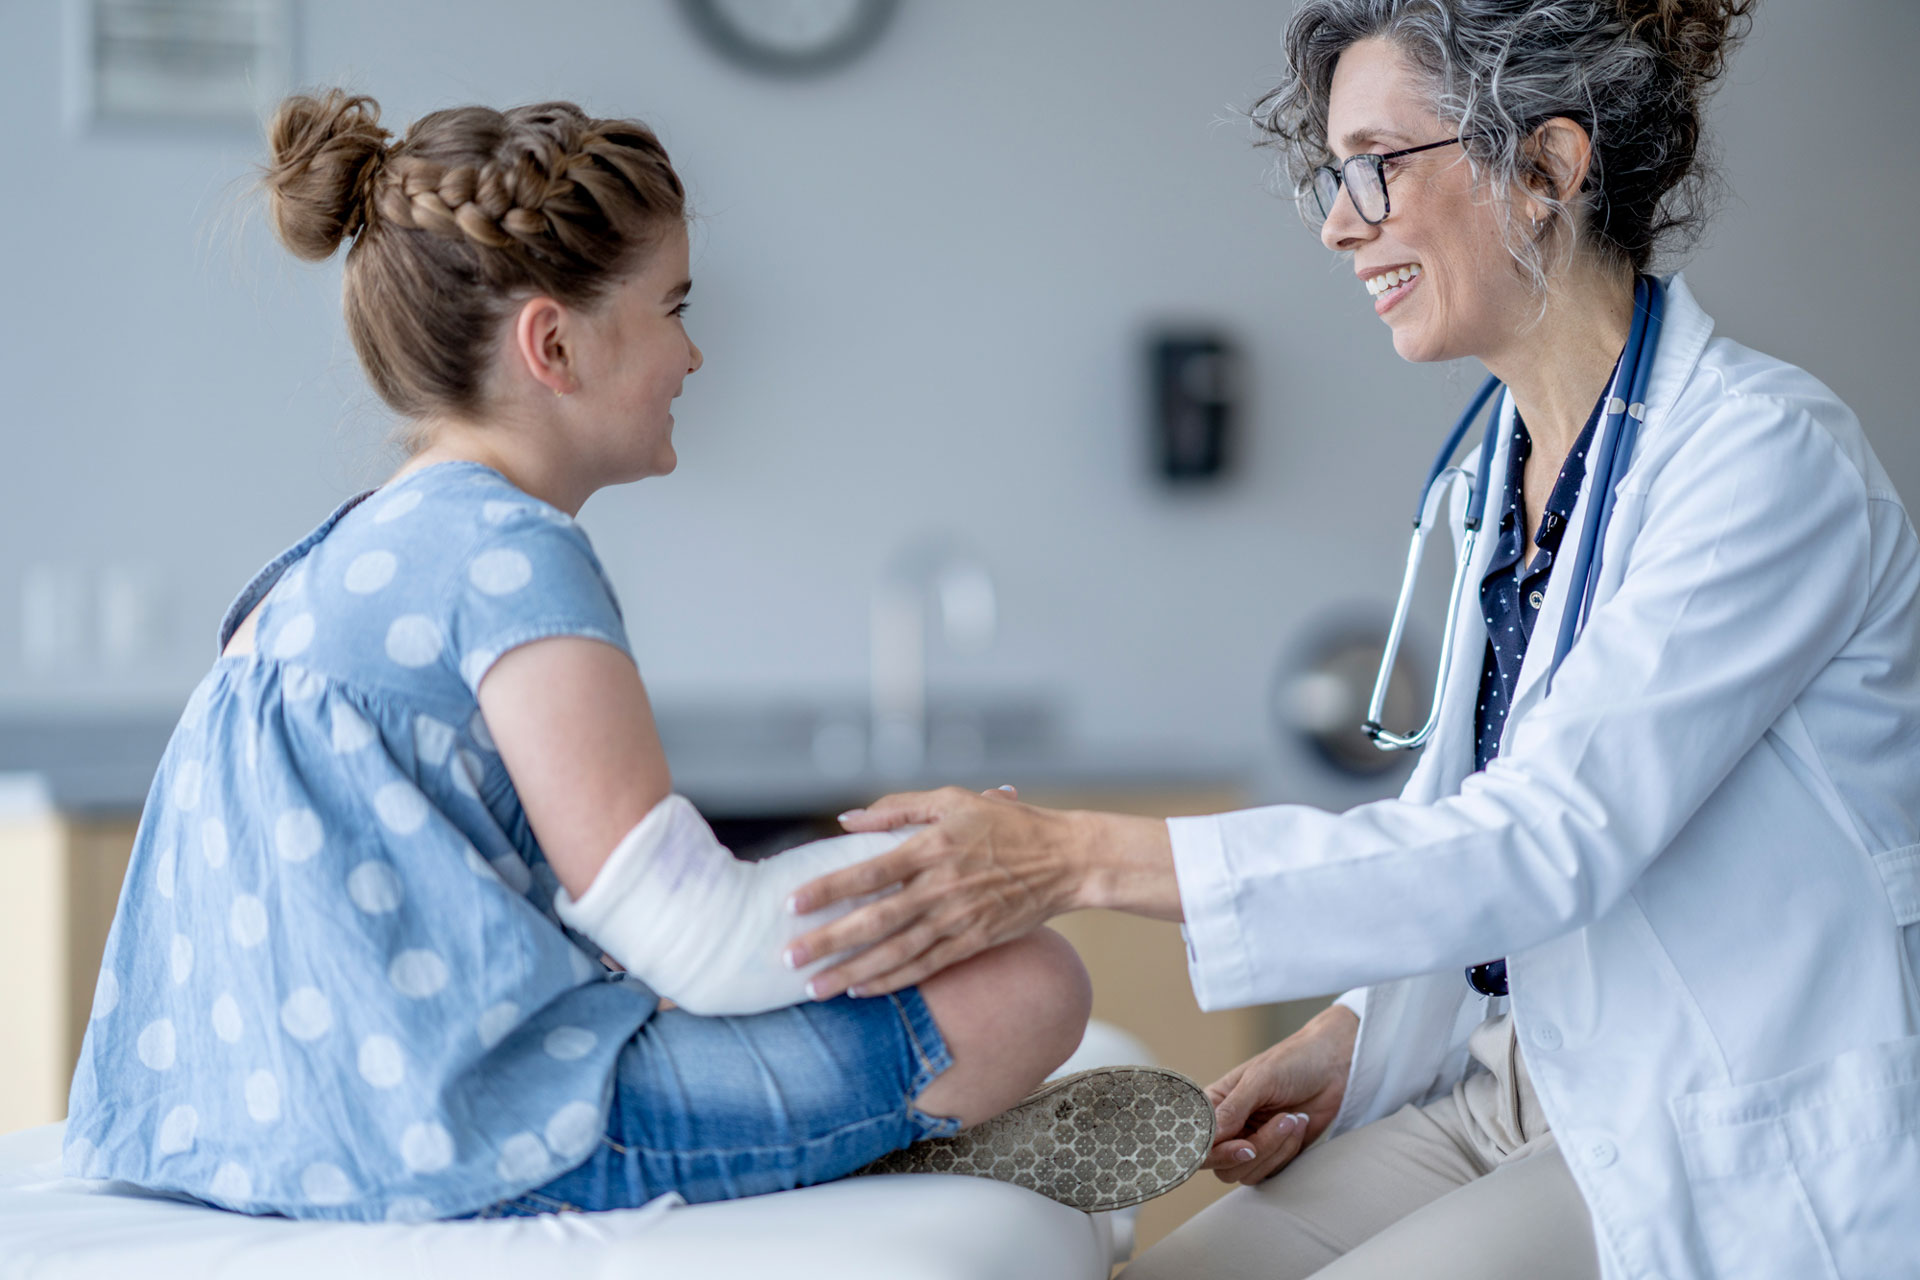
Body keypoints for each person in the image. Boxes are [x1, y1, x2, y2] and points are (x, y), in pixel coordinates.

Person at [785, 2, 1920, 1276]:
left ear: (1544, 169)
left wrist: (1071, 857)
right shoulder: (1496, 470)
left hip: (1693, 1106)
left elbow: (1551, 840)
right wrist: (1354, 1026)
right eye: (1336, 174)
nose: (1338, 221)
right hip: (1511, 1079)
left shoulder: (1765, 461)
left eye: (1378, 163)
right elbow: (1482, 839)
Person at [62, 90, 1213, 1223]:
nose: (695, 353)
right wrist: (947, 874)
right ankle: (848, 1152)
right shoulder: (508, 554)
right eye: (673, 306)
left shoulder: (327, 562)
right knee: (1029, 984)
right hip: (453, 1132)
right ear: (554, 342)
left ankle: (852, 1136)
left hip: (235, 1131)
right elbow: (696, 934)